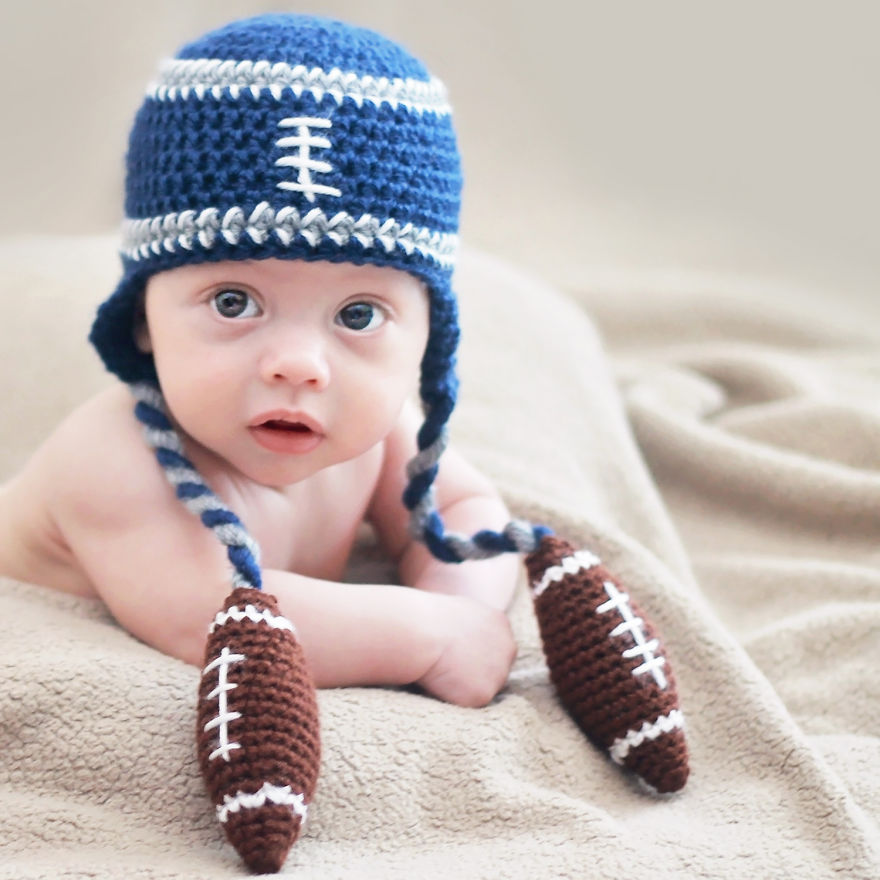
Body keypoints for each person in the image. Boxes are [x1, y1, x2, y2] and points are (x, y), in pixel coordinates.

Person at [0, 12, 547, 709]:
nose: (298, 365)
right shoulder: (112, 460)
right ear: (142, 315)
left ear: (426, 334)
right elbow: (213, 615)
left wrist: (458, 601)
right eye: (233, 302)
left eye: (357, 316)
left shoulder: (375, 432)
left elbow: (461, 509)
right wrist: (429, 635)